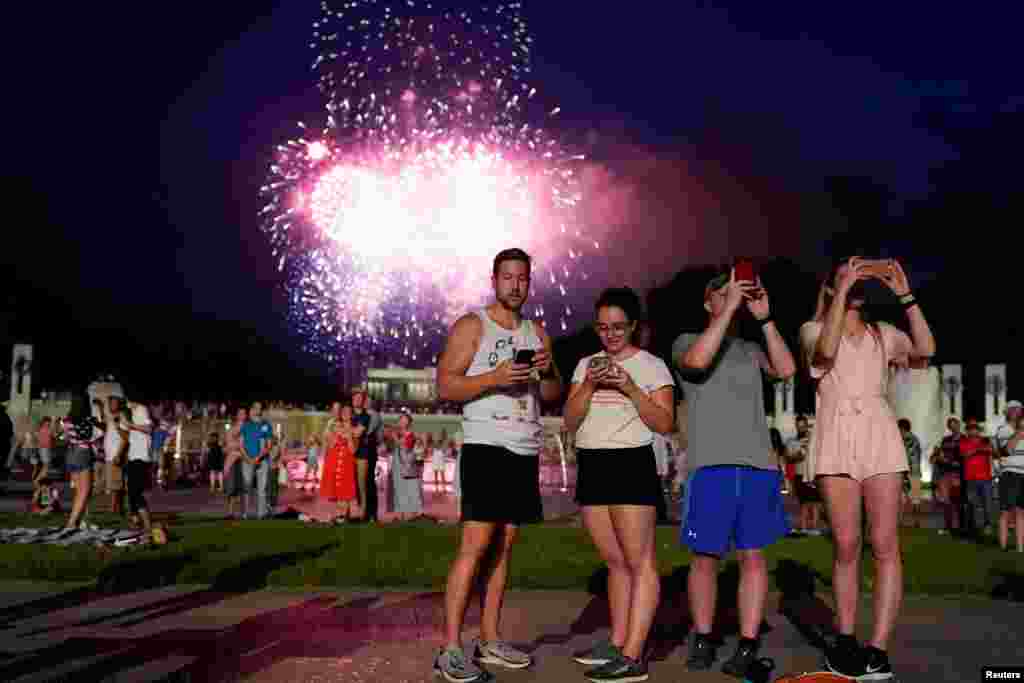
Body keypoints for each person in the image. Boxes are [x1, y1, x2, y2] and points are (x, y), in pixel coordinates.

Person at [800, 256, 935, 680]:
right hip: (835, 435)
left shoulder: (885, 335)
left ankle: (877, 647)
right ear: (830, 286)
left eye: (860, 274)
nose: (857, 278)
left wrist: (904, 294)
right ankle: (843, 640)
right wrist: (840, 290)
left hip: (879, 433)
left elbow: (927, 351)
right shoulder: (813, 330)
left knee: (884, 542)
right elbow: (824, 352)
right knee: (845, 542)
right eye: (847, 271)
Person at [433, 248, 562, 683]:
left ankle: (488, 639)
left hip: (523, 448)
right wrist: (493, 378)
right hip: (487, 445)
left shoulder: (538, 333)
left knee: (505, 546)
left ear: (529, 283)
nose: (515, 285)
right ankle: (450, 648)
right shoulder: (473, 326)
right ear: (494, 280)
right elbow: (445, 385)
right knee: (475, 545)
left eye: (522, 278)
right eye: (507, 277)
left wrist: (547, 373)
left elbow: (551, 395)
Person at [674, 267, 796, 677]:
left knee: (753, 557)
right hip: (710, 465)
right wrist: (727, 309)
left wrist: (764, 317)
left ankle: (746, 644)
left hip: (757, 464)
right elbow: (696, 362)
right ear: (709, 302)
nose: (732, 300)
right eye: (723, 294)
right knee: (706, 557)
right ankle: (704, 635)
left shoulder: (748, 347)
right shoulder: (688, 341)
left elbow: (786, 370)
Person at [563, 287, 675, 682]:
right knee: (614, 561)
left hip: (631, 462)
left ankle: (633, 655)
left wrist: (628, 386)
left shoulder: (652, 366)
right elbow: (571, 420)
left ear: (633, 327)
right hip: (593, 461)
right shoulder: (584, 365)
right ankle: (617, 641)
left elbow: (664, 423)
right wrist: (590, 385)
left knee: (639, 560)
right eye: (602, 327)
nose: (609, 335)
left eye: (618, 327)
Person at [62, 396, 105, 530]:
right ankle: (71, 522)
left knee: (78, 491)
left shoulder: (66, 420)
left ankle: (79, 520)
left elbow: (65, 437)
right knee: (85, 490)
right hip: (83, 452)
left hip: (71, 453)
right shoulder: (88, 420)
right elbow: (91, 435)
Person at [320, 402, 361, 521]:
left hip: (347, 462)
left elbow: (353, 450)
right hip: (335, 461)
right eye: (343, 412)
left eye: (348, 412)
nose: (345, 414)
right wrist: (333, 435)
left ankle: (347, 516)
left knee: (347, 490)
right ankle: (340, 515)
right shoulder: (335, 426)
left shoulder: (355, 429)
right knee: (336, 491)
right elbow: (330, 445)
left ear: (352, 415)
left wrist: (348, 437)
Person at [786, 416, 824, 536]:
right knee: (803, 503)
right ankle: (803, 528)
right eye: (799, 426)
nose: (801, 428)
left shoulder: (815, 439)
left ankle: (815, 528)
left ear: (807, 425)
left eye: (803, 426)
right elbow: (789, 458)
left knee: (816, 503)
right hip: (800, 474)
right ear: (796, 427)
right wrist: (799, 453)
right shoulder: (792, 441)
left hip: (813, 473)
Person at [123, 399, 155, 538]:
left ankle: (148, 525)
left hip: (141, 457)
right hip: (132, 456)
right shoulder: (131, 412)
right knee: (131, 492)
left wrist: (131, 425)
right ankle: (136, 522)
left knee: (136, 492)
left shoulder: (142, 408)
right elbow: (127, 434)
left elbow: (149, 428)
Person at [959, 418, 995, 537]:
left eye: (975, 429)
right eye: (970, 429)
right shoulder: (963, 442)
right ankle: (975, 527)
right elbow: (965, 454)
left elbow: (992, 451)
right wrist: (979, 449)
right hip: (970, 478)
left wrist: (976, 450)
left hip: (985, 478)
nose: (973, 431)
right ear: (967, 431)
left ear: (978, 430)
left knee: (988, 504)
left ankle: (987, 525)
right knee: (972, 504)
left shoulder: (985, 440)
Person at [352, 389, 383, 522]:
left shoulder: (373, 415)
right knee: (363, 482)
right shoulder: (361, 414)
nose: (365, 402)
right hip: (361, 450)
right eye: (365, 400)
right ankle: (365, 511)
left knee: (367, 482)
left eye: (367, 400)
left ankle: (370, 513)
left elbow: (365, 431)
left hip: (367, 452)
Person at [241, 402, 274, 519]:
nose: (258, 410)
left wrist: (258, 457)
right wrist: (249, 459)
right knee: (246, 487)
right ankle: (245, 513)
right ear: (252, 409)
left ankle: (261, 514)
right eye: (255, 408)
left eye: (260, 408)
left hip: (262, 461)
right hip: (247, 460)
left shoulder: (266, 425)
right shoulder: (245, 425)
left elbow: (269, 445)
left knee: (262, 488)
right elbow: (241, 445)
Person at [388, 413, 424, 521]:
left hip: (407, 465)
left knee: (409, 489)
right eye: (400, 420)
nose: (401, 422)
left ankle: (411, 513)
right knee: (398, 488)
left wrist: (395, 438)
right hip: (397, 464)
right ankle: (399, 513)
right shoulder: (398, 434)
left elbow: (406, 447)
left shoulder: (411, 435)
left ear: (409, 423)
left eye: (404, 420)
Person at [931, 417, 963, 535]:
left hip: (957, 474)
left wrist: (950, 461)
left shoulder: (964, 439)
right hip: (945, 473)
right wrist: (937, 456)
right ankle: (948, 526)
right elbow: (938, 454)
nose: (953, 427)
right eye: (950, 425)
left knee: (956, 501)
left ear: (959, 425)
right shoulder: (945, 440)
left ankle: (957, 526)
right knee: (945, 501)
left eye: (954, 425)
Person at [998, 414, 1024, 552]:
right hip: (1010, 474)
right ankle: (1003, 547)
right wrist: (1019, 433)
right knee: (1006, 512)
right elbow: (1007, 450)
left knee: (1021, 512)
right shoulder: (1006, 432)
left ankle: (1020, 548)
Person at [896, 418, 923, 527]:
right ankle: (910, 521)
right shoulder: (913, 438)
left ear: (902, 428)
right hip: (913, 472)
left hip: (910, 472)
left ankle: (910, 521)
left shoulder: (908, 439)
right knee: (912, 498)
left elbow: (907, 456)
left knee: (908, 498)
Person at [223, 408, 248, 519]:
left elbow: (249, 445)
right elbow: (229, 446)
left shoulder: (248, 429)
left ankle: (243, 513)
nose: (242, 415)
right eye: (240, 413)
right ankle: (230, 512)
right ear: (237, 416)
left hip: (244, 460)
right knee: (231, 488)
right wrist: (240, 445)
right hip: (233, 461)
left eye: (244, 413)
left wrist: (239, 445)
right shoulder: (232, 429)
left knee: (243, 489)